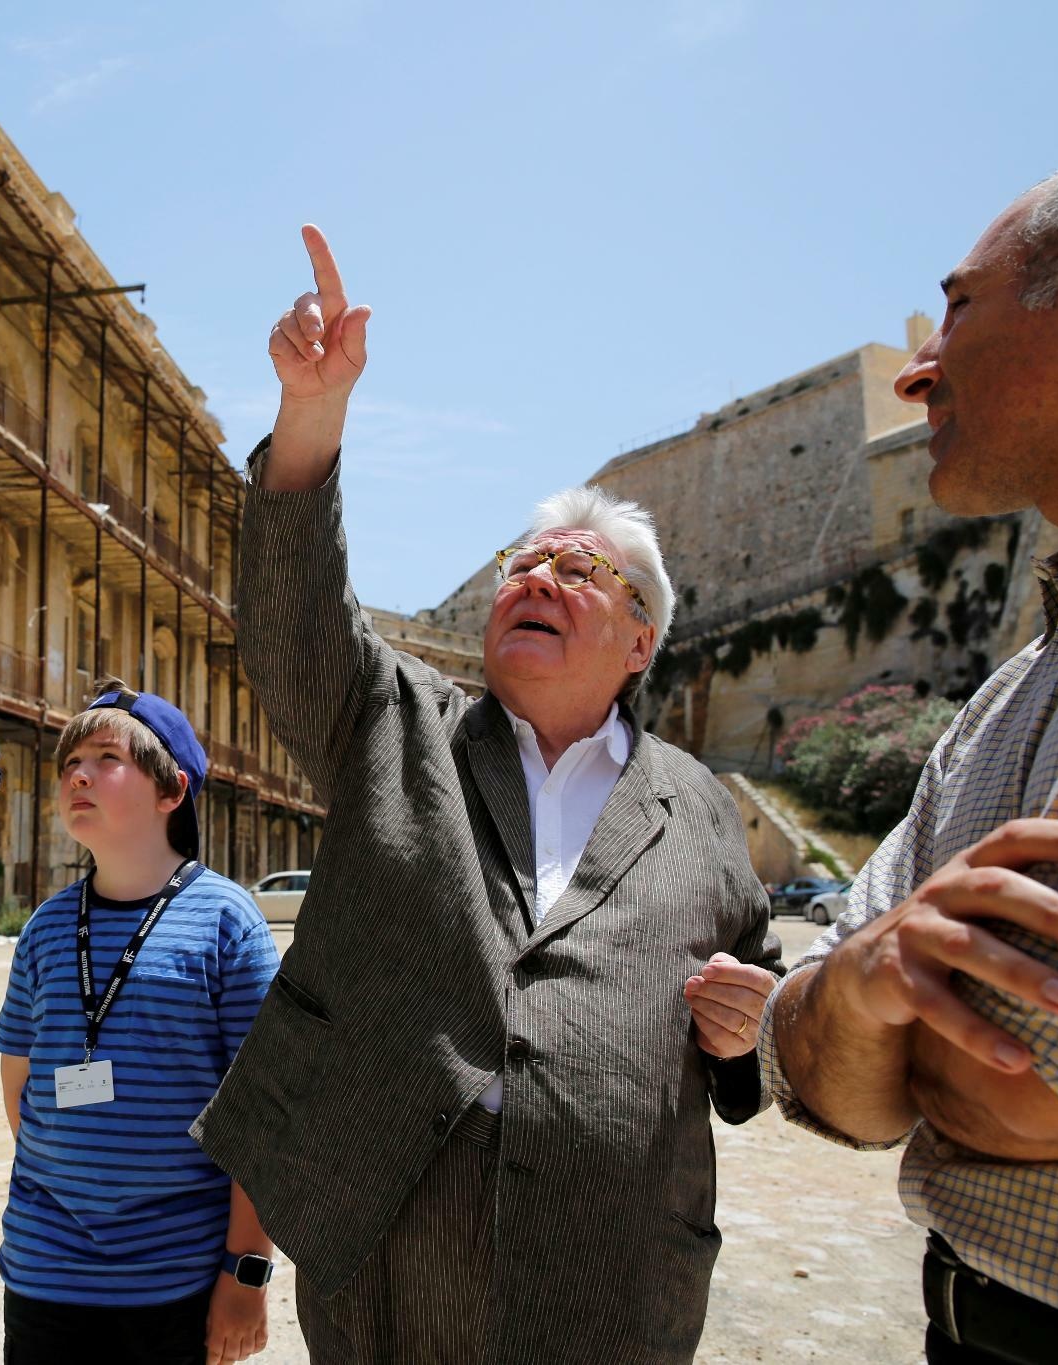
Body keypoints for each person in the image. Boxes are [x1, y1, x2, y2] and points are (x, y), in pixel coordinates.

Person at [190, 226, 782, 1363]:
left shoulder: (700, 808)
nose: (535, 577)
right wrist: (311, 413)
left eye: (577, 568)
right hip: (391, 1258)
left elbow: (757, 1008)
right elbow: (293, 621)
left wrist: (749, 1026)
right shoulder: (395, 725)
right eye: (520, 562)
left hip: (608, 1279)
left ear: (639, 640)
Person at [760, 138, 1058, 1364]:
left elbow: (1045, 1092)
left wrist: (860, 1012)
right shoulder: (1013, 691)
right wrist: (858, 981)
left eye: (955, 308)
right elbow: (808, 1074)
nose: (915, 377)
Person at [0, 680, 278, 1365]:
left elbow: (267, 1115)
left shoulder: (227, 922)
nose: (78, 774)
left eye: (104, 757)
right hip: (44, 1274)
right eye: (68, 764)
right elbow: (20, 1084)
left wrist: (246, 1271)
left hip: (172, 1281)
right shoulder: (46, 926)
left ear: (171, 790)